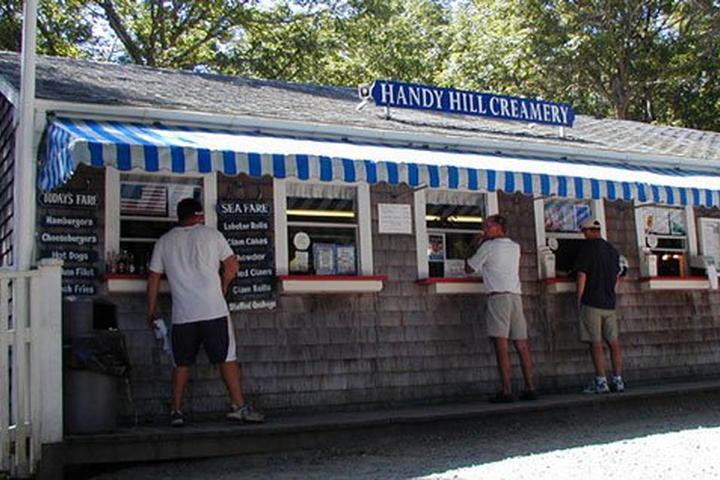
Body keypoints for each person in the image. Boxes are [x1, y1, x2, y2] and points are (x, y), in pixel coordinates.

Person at [147, 198, 265, 426]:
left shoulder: (164, 242)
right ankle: (238, 405)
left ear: (178, 216)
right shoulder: (213, 235)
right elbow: (232, 266)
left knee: (181, 362)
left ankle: (176, 411)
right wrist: (223, 285)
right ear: (199, 215)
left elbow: (153, 278)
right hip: (214, 309)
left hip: (183, 313)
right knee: (226, 358)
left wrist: (151, 311)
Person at [465, 214, 537, 403]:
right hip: (515, 295)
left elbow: (470, 268)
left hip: (498, 297)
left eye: (488, 226)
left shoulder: (488, 247)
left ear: (498, 227)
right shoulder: (515, 247)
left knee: (501, 345)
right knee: (521, 344)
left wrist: (475, 246)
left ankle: (506, 390)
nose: (485, 229)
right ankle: (530, 387)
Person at [574, 218, 624, 394]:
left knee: (595, 342)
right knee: (613, 342)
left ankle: (601, 381)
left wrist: (579, 299)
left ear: (588, 231)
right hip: (609, 303)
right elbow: (618, 275)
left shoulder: (587, 249)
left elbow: (582, 276)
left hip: (591, 302)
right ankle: (618, 380)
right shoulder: (612, 250)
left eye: (584, 231)